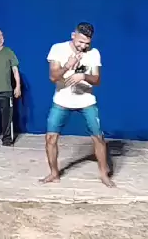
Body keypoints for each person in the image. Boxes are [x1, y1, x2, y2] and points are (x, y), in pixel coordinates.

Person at [43, 22, 114, 187]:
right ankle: (54, 173)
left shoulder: (94, 53)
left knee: (98, 137)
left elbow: (97, 80)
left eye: (87, 43)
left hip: (86, 100)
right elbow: (53, 77)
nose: (83, 46)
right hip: (62, 100)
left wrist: (83, 76)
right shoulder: (58, 49)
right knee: (50, 137)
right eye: (80, 42)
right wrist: (67, 66)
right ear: (73, 35)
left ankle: (104, 174)